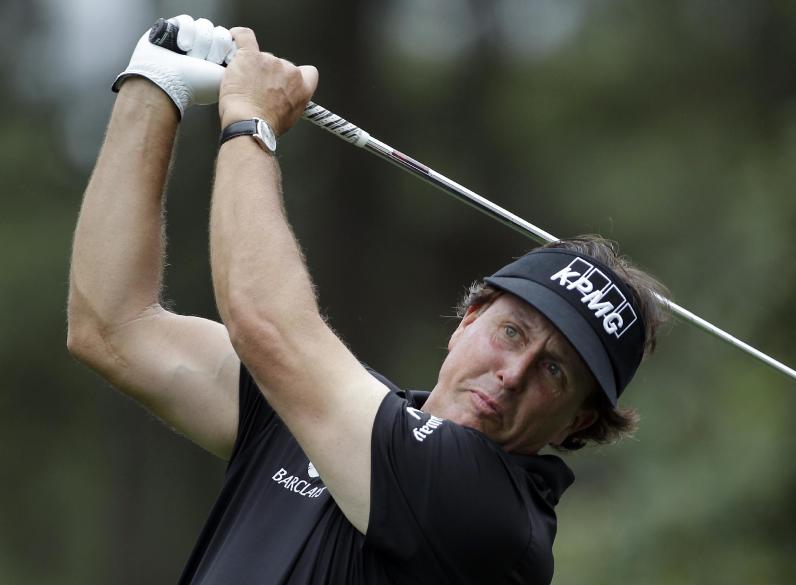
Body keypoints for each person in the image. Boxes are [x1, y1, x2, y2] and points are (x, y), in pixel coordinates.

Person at [66, 15, 669, 585]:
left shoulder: (496, 516)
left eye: (555, 370)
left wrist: (250, 123)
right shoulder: (319, 406)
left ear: (580, 422)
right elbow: (113, 326)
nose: (513, 374)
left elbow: (268, 330)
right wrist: (154, 86)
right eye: (513, 332)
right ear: (470, 318)